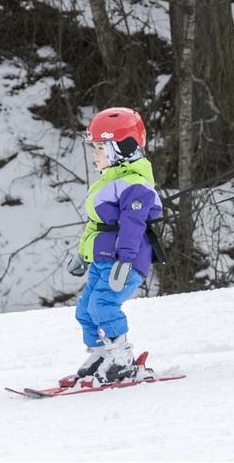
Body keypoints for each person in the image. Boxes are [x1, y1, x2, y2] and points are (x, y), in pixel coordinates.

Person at [65, 107, 163, 385]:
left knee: (104, 305)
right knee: (85, 309)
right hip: (102, 260)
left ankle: (121, 358)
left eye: (100, 147)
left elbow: (132, 227)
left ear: (122, 149)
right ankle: (101, 353)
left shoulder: (134, 184)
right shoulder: (110, 181)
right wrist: (83, 255)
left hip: (124, 261)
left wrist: (125, 260)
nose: (95, 154)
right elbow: (97, 225)